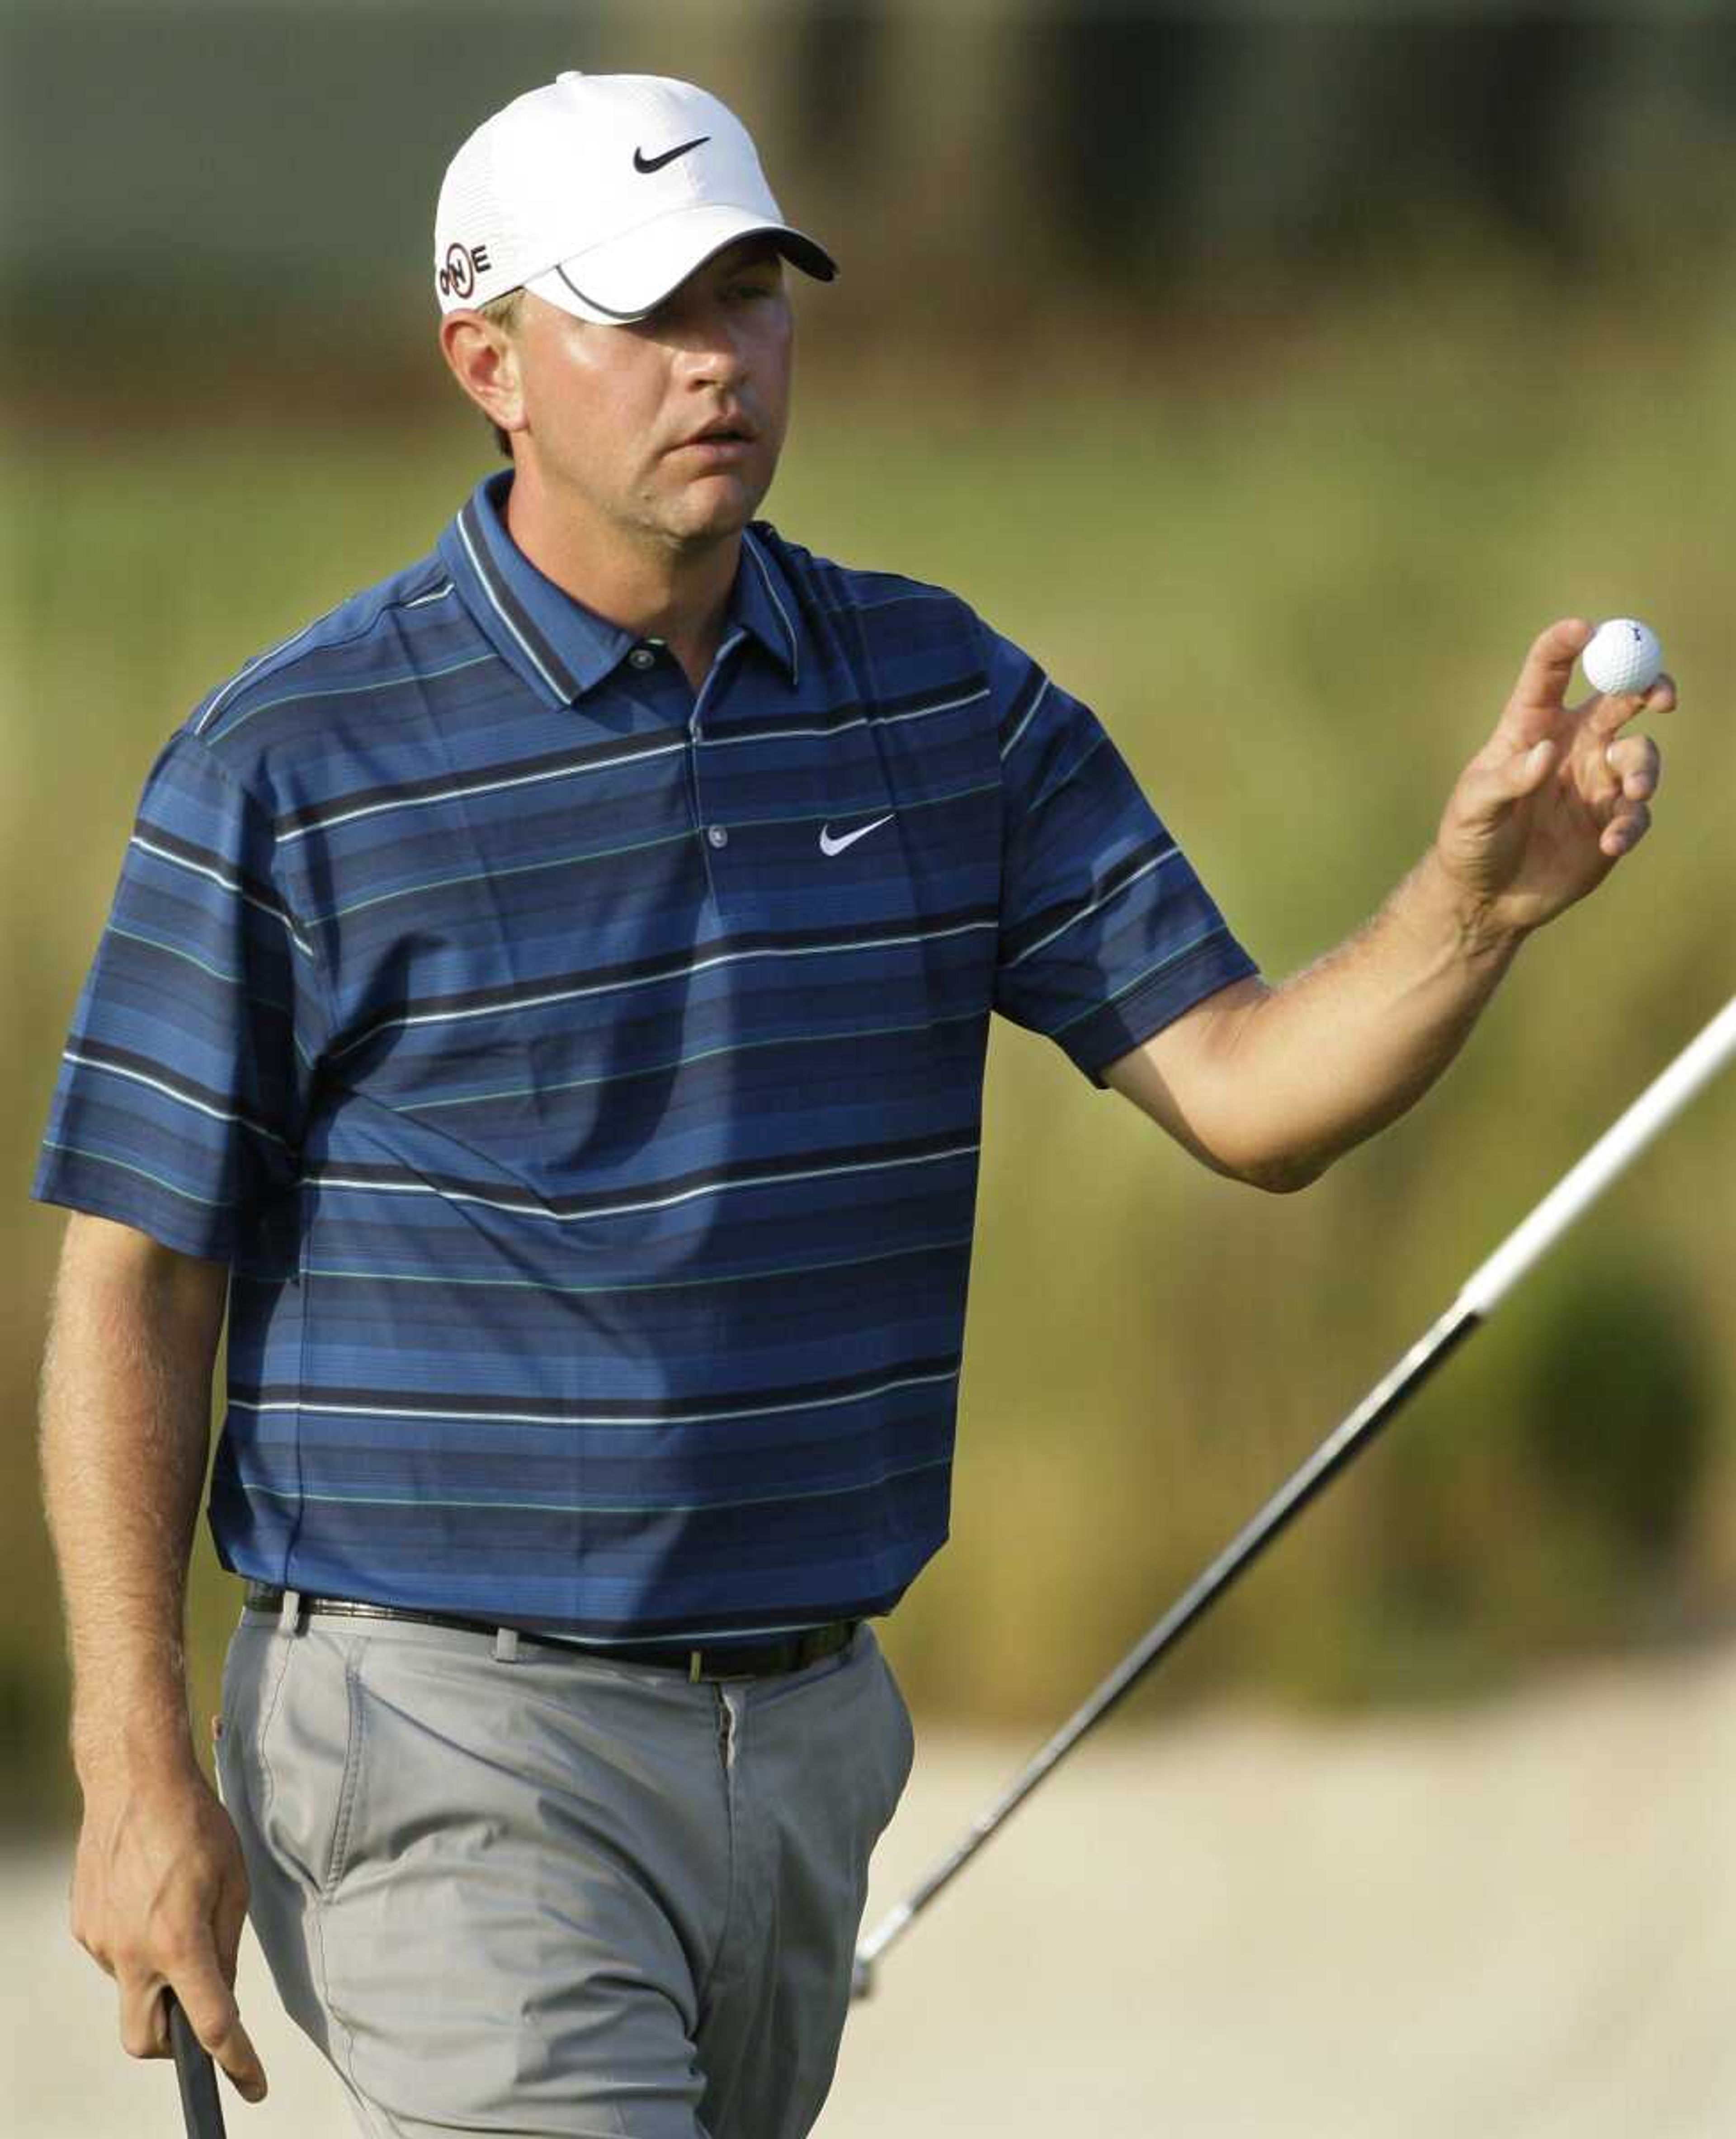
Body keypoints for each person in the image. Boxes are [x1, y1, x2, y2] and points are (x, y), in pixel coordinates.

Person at [32, 67, 1670, 2139]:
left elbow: (1253, 1093)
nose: (719, 360)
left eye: (753, 297)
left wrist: (1472, 909)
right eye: (651, 314)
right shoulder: (291, 763)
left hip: (806, 1744)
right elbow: (134, 1280)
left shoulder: (944, 702)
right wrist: (132, 1760)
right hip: (443, 1740)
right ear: (493, 362)